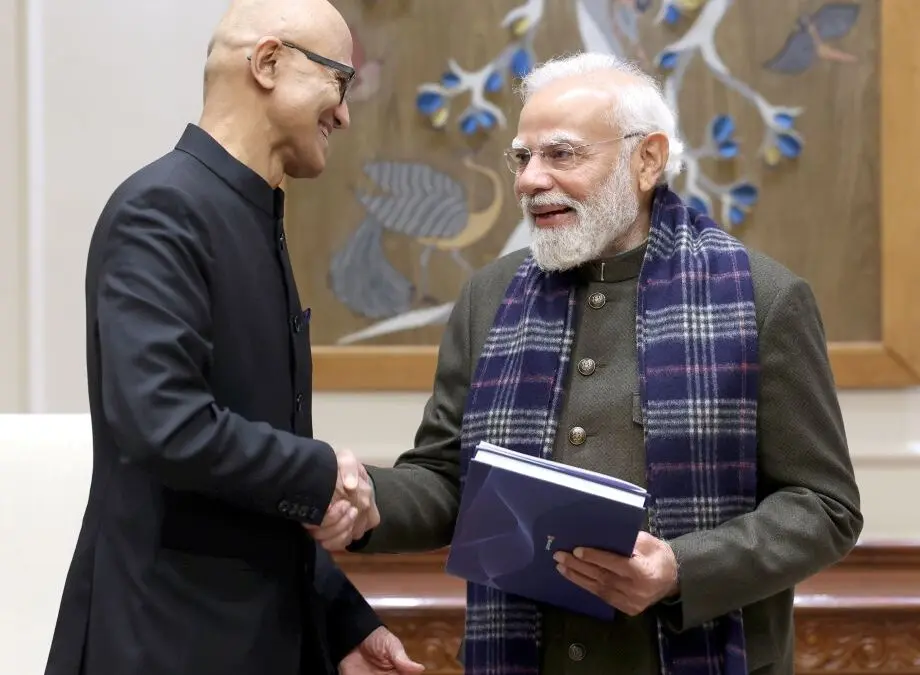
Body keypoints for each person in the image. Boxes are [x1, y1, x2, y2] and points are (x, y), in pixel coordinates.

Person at [310, 52, 864, 675]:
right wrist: (367, 499)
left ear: (647, 159)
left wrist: (681, 569)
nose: (528, 180)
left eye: (561, 154)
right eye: (522, 157)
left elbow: (824, 506)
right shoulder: (488, 297)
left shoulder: (764, 299)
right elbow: (446, 479)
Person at [43, 1, 419, 674]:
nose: (344, 112)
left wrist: (342, 620)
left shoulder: (252, 216)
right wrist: (324, 469)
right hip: (166, 643)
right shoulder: (164, 209)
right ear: (268, 63)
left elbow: (249, 478)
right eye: (339, 81)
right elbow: (165, 422)